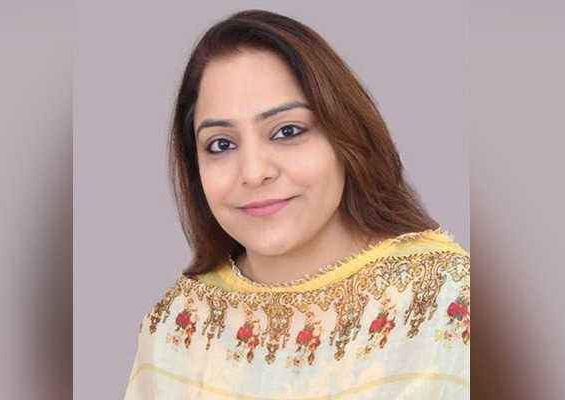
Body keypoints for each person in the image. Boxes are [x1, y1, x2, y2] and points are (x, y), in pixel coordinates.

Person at [124, 9, 470, 399]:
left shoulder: (449, 300)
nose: (254, 172)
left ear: (345, 137)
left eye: (287, 131)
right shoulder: (178, 325)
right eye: (221, 144)